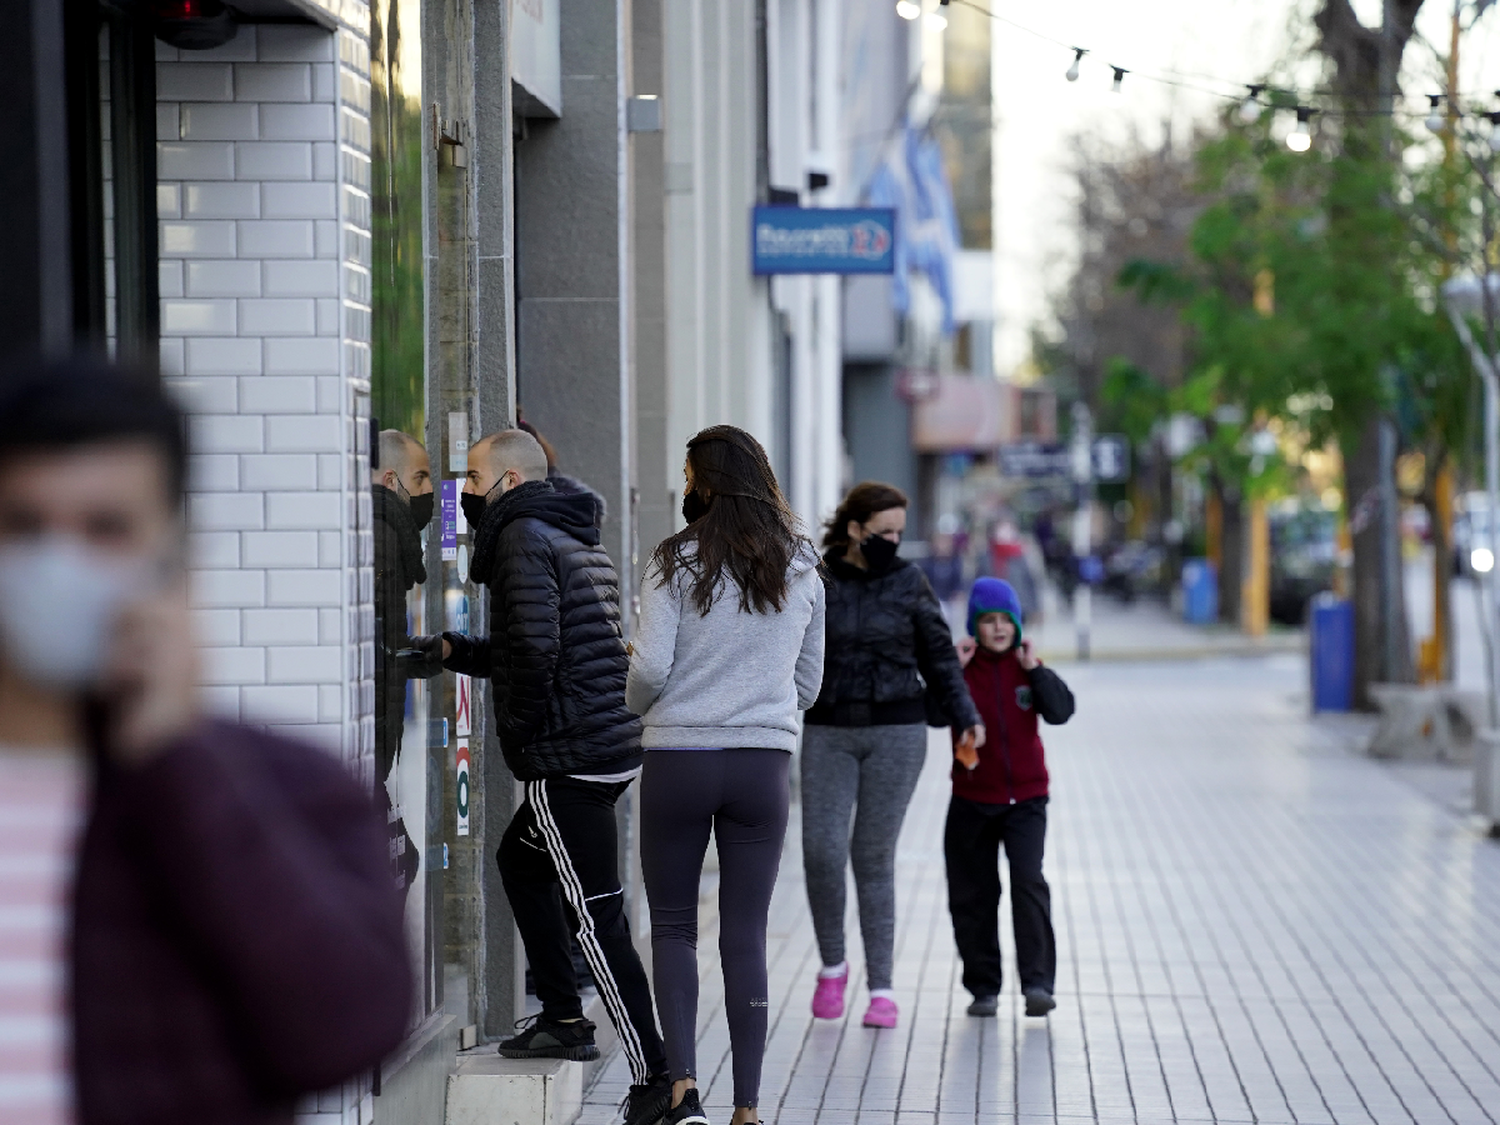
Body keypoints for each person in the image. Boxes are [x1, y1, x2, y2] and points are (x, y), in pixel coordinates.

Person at [0, 354, 411, 1125]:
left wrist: (178, 760)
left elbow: (348, 1027)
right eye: (23, 526)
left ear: (172, 554)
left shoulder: (282, 787)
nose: (58, 563)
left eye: (106, 528)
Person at [437, 429, 671, 1125]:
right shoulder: (567, 531)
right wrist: (455, 651)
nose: (464, 491)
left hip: (570, 756)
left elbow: (537, 653)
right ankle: (565, 1017)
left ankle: (656, 1075)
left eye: (473, 477)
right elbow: (535, 646)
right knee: (521, 860)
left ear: (509, 480)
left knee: (598, 920)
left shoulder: (519, 537)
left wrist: (522, 733)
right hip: (606, 744)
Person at [627, 426, 824, 1125]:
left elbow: (648, 667)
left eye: (688, 475)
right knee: (745, 930)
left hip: (678, 758)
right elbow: (809, 682)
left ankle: (682, 1093)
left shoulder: (673, 560)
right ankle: (748, 1107)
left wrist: (641, 705)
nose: (685, 487)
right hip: (761, 764)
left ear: (703, 482)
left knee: (674, 926)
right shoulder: (801, 562)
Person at [802, 482, 982, 1030]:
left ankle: (881, 988)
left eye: (900, 533)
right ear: (855, 529)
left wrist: (965, 716)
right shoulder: (817, 580)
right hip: (828, 729)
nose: (894, 542)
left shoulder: (909, 582)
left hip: (897, 733)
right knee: (822, 851)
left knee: (873, 858)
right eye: (885, 532)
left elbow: (940, 659)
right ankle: (833, 965)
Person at [948, 577, 1074, 1019]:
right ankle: (984, 987)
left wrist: (1036, 668)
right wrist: (951, 668)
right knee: (974, 894)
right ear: (975, 626)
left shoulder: (1028, 669)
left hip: (1026, 801)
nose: (998, 628)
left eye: (1006, 621)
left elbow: (1061, 711)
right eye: (989, 621)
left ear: (1018, 626)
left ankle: (1037, 983)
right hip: (971, 800)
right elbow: (929, 712)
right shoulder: (960, 671)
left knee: (1028, 882)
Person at [371, 429, 442, 899]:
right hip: (369, 742)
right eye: (420, 479)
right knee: (399, 863)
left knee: (400, 862)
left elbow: (383, 643)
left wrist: (426, 653)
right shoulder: (380, 534)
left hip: (376, 740)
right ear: (392, 479)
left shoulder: (387, 532)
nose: (428, 493)